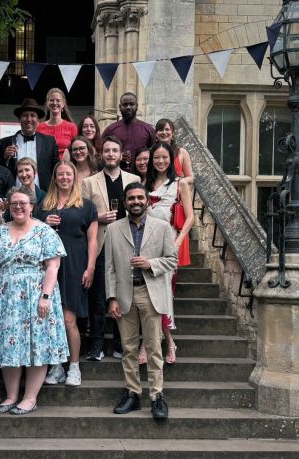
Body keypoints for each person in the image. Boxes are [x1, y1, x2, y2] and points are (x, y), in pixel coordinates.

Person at [0, 186, 68, 415]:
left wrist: (45, 297)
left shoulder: (44, 231)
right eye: (14, 203)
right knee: (9, 344)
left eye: (23, 203)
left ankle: (30, 398)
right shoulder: (0, 231)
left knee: (37, 344)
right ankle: (11, 396)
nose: (18, 207)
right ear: (9, 207)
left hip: (37, 294)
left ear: (32, 206)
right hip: (7, 297)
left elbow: (53, 265)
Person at [106, 182, 177, 421]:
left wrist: (150, 264)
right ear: (125, 202)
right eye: (131, 198)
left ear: (147, 201)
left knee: (154, 348)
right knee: (128, 349)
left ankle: (157, 397)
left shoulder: (162, 227)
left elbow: (172, 260)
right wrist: (111, 298)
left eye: (139, 198)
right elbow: (109, 268)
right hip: (124, 295)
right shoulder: (113, 229)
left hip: (150, 293)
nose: (135, 202)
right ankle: (133, 394)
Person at [36, 161, 98, 387]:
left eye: (68, 174)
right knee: (50, 320)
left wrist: (90, 267)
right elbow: (31, 234)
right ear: (54, 177)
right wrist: (43, 222)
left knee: (68, 319)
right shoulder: (44, 205)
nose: (64, 177)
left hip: (74, 266)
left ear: (74, 177)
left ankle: (74, 366)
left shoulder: (86, 206)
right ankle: (57, 366)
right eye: (60, 174)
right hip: (47, 268)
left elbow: (93, 240)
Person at [82, 136, 140, 361]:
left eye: (114, 150)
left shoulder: (134, 179)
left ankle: (120, 344)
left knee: (123, 295)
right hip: (100, 243)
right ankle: (96, 345)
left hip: (126, 242)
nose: (110, 154)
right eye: (106, 150)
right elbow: (83, 214)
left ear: (120, 153)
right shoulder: (89, 182)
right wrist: (99, 217)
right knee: (98, 297)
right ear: (101, 154)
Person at [144, 141, 194, 365]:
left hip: (167, 245)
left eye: (164, 157)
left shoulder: (180, 183)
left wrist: (177, 243)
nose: (161, 161)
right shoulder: (145, 183)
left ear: (170, 160)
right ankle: (148, 343)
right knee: (145, 296)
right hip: (146, 244)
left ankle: (169, 342)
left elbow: (190, 218)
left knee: (162, 295)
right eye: (156, 157)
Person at [0, 98, 59, 192]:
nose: (29, 119)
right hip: (14, 195)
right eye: (25, 115)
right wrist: (6, 159)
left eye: (33, 116)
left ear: (38, 120)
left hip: (43, 195)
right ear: (19, 119)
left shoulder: (49, 142)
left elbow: (56, 168)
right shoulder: (5, 143)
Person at [101, 93, 156, 172]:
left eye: (132, 104)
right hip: (116, 174)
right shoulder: (110, 130)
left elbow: (155, 153)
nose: (128, 107)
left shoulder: (148, 129)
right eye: (125, 105)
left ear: (137, 106)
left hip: (142, 175)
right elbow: (100, 152)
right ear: (120, 107)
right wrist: (118, 155)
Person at [0, 157, 46, 227]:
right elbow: (1, 226)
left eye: (27, 170)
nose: (24, 174)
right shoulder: (12, 196)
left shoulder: (45, 197)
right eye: (20, 171)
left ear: (35, 173)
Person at [36, 88, 78, 158]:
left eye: (58, 100)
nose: (55, 103)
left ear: (63, 104)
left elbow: (76, 150)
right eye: (51, 100)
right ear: (47, 103)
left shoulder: (72, 127)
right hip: (45, 164)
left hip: (66, 164)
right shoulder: (39, 128)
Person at [155, 118, 194, 186]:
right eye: (161, 130)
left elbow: (190, 178)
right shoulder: (151, 152)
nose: (164, 132)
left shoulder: (182, 152)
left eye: (167, 129)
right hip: (156, 189)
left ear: (172, 133)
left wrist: (176, 182)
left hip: (176, 190)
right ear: (156, 133)